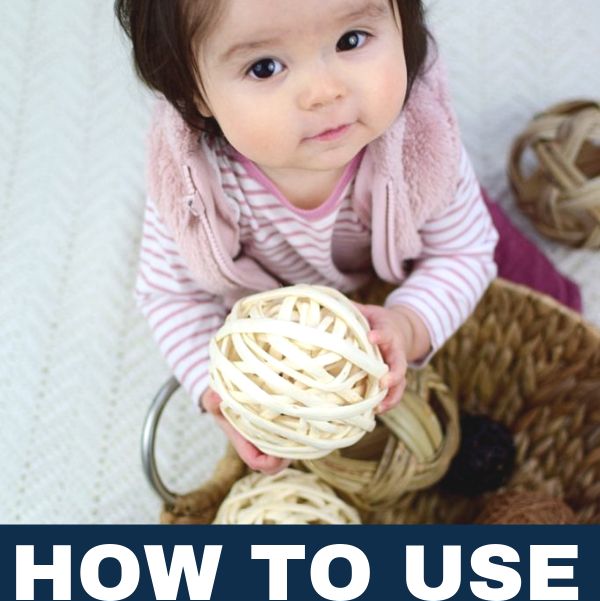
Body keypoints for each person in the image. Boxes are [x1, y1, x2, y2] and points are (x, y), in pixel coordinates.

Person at [116, 0, 497, 474]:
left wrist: (408, 324)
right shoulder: (194, 189)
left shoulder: (422, 149)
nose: (324, 92)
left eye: (351, 40)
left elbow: (464, 252)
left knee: (509, 296)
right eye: (264, 67)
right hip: (284, 314)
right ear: (195, 93)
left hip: (402, 246)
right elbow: (169, 296)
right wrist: (221, 393)